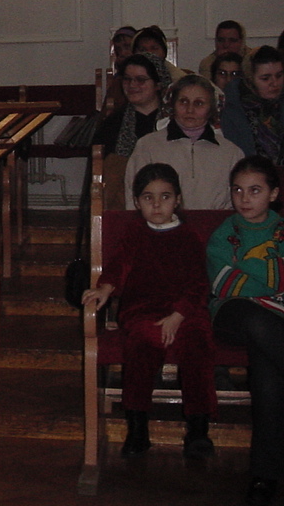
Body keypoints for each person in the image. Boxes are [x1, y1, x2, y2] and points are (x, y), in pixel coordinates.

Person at [82, 163, 216, 459]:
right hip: (143, 309)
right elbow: (120, 264)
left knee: (197, 344)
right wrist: (105, 288)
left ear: (177, 200)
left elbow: (198, 282)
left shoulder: (189, 236)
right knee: (142, 345)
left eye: (165, 197)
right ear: (137, 202)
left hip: (185, 311)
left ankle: (198, 428)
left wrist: (178, 315)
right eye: (148, 197)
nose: (156, 205)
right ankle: (137, 427)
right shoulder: (135, 232)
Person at [206, 156, 284, 506]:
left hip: (274, 323)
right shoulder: (225, 234)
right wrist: (269, 287)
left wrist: (258, 283)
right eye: (238, 190)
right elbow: (225, 283)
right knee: (258, 323)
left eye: (255, 190)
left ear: (273, 194)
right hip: (232, 314)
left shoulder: (281, 231)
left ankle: (265, 475)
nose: (244, 198)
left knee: (267, 365)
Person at [125, 74, 243, 210]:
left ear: (211, 108)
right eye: (183, 102)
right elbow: (133, 197)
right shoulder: (148, 146)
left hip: (218, 223)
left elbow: (237, 203)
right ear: (173, 105)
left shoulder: (231, 153)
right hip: (160, 222)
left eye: (199, 103)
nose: (190, 110)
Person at [92, 53, 172, 209]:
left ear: (158, 84)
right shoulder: (112, 125)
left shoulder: (173, 122)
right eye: (127, 79)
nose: (132, 85)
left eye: (140, 80)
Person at [221, 45, 284, 165]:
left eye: (279, 76)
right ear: (250, 80)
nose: (275, 83)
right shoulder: (233, 109)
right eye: (265, 78)